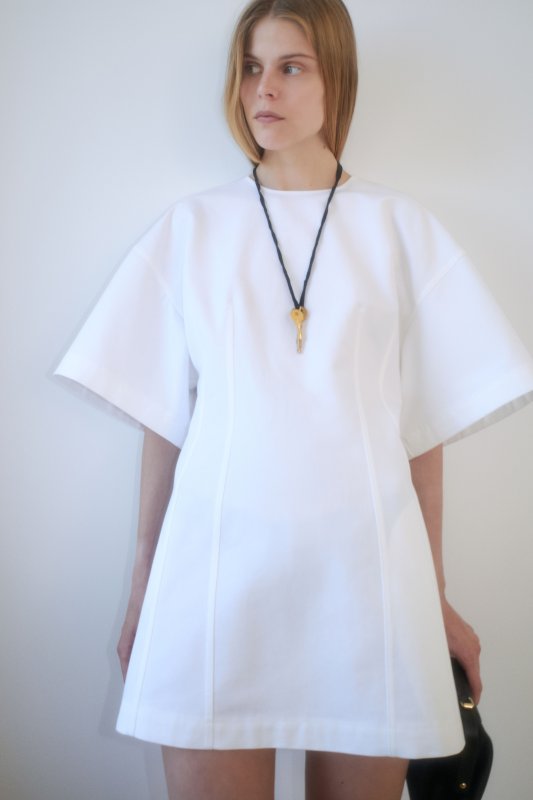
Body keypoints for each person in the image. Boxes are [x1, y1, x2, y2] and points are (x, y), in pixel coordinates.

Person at [54, 1, 533, 798]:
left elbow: (419, 433)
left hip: (368, 585)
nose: (262, 89)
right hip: (214, 579)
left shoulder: (399, 228)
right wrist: (144, 594)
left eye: (289, 67)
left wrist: (434, 600)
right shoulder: (192, 227)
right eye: (250, 67)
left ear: (335, 77)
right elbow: (166, 427)